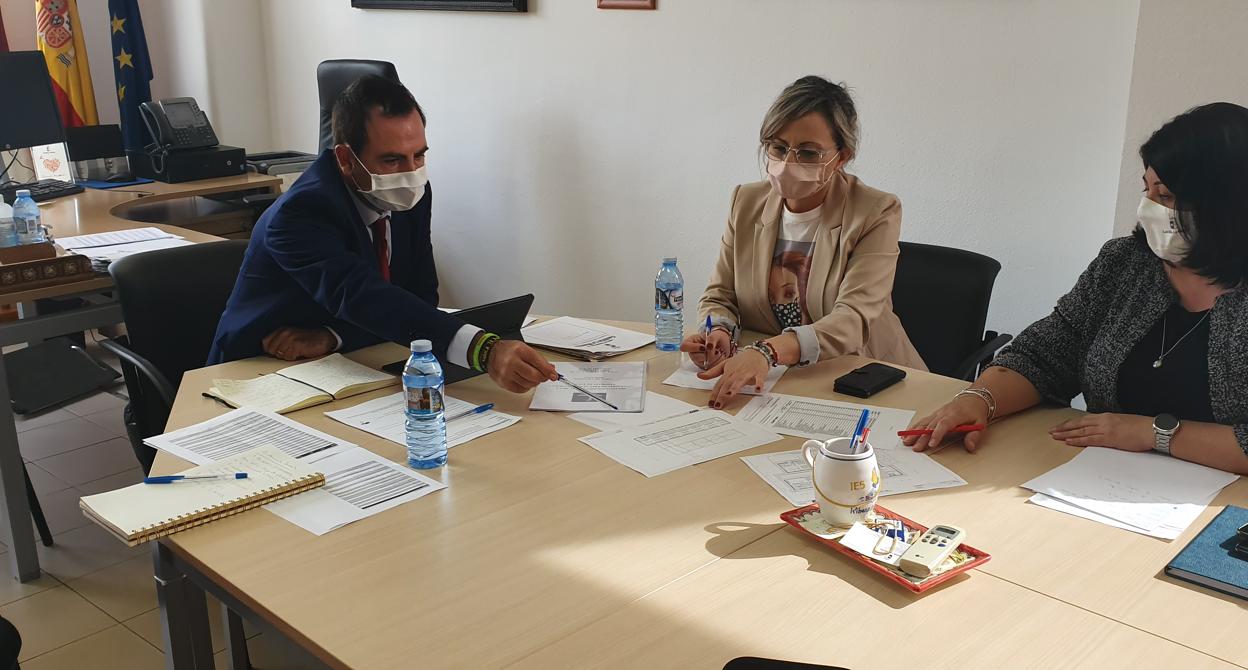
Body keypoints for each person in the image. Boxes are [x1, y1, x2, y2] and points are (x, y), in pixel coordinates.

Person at [905, 102, 1248, 476]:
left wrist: (1154, 433)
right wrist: (979, 398)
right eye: (1146, 190)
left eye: (1165, 196)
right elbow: (1045, 353)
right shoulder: (1125, 263)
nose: (1147, 209)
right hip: (1097, 480)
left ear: (1227, 204)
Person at [208, 75, 556, 393]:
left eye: (418, 156)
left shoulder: (412, 193)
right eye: (392, 161)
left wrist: (334, 337)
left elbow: (419, 296)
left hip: (347, 364)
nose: (410, 174)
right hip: (255, 372)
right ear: (345, 159)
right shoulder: (300, 213)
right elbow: (361, 296)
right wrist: (485, 350)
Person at [682, 76, 924, 408]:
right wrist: (720, 333)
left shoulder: (874, 211)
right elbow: (721, 294)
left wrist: (767, 351)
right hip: (777, 384)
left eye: (808, 153)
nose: (788, 163)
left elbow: (852, 320)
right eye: (778, 147)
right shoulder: (746, 202)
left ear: (841, 157)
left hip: (860, 379)